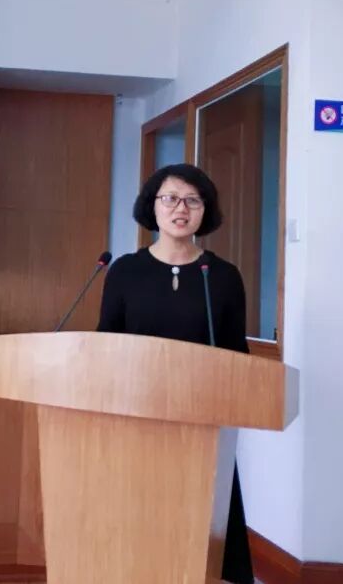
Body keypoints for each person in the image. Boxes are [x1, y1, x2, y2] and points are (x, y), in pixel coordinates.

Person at [97, 163, 253, 584]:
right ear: (153, 206)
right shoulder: (125, 271)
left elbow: (236, 354)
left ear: (205, 210)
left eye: (192, 200)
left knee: (204, 524)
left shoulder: (222, 276)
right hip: (136, 415)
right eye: (170, 198)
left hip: (202, 420)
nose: (180, 208)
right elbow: (105, 344)